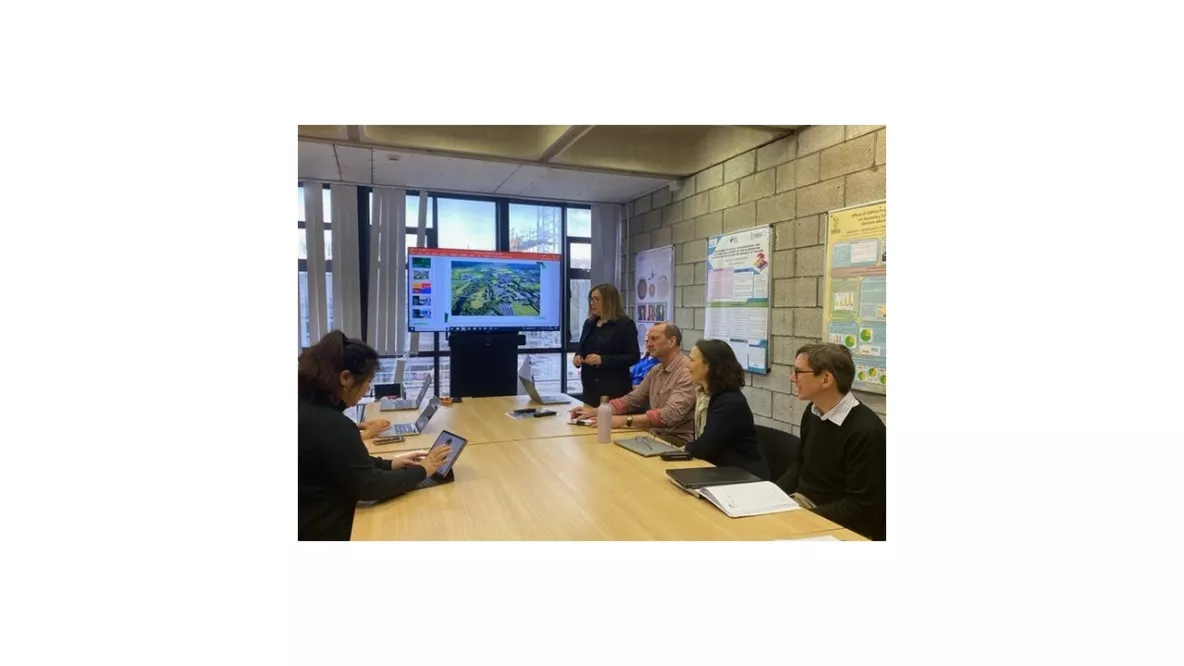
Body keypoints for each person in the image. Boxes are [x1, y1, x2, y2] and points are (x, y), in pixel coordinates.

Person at [299, 330, 452, 541]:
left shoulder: (307, 408)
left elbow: (342, 460)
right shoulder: (332, 425)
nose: (368, 388)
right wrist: (423, 470)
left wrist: (390, 464)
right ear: (345, 378)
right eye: (368, 380)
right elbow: (370, 487)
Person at [775, 343, 886, 541]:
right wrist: (772, 495)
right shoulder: (812, 412)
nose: (792, 378)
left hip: (840, 524)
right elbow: (800, 465)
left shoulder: (867, 432)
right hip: (805, 505)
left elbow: (862, 508)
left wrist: (802, 518)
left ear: (826, 379)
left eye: (798, 372)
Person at [571, 322, 696, 438]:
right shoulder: (656, 370)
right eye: (648, 340)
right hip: (655, 436)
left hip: (677, 442)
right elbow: (632, 400)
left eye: (655, 339)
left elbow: (670, 415)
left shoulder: (687, 372)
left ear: (671, 341)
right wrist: (596, 411)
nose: (649, 344)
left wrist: (624, 420)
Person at [683, 339, 769, 479]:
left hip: (741, 477)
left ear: (708, 366)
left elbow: (704, 447)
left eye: (692, 360)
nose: (687, 365)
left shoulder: (730, 402)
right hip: (718, 470)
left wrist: (682, 450)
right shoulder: (706, 395)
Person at [574, 283, 640, 406]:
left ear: (609, 301)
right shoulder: (589, 324)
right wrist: (577, 357)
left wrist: (603, 360)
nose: (592, 303)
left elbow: (633, 356)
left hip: (613, 389)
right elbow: (581, 348)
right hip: (590, 389)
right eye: (591, 299)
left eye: (596, 299)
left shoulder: (624, 324)